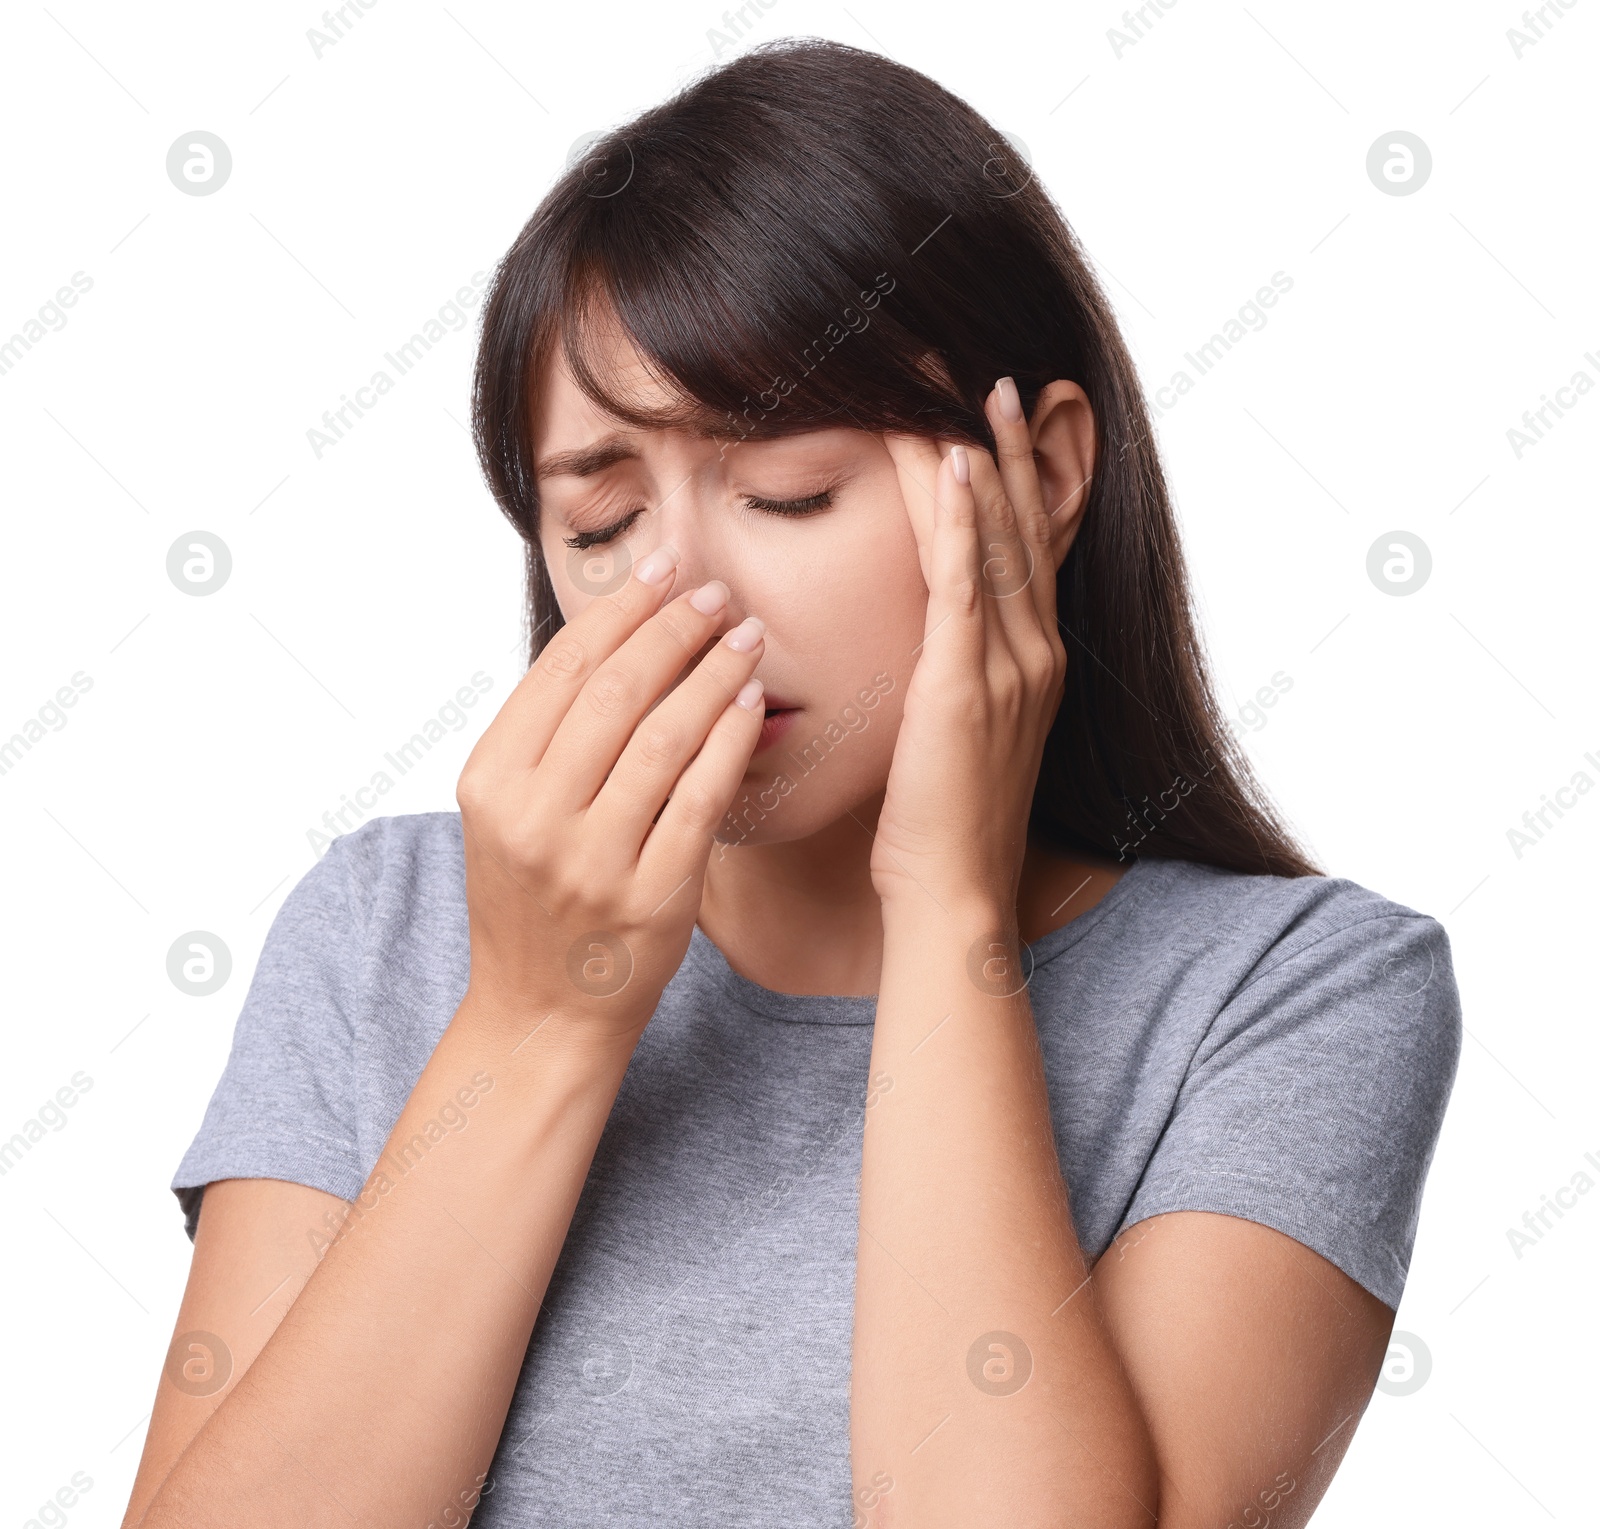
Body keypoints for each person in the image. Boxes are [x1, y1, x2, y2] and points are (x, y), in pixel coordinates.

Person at [123, 38, 1461, 1529]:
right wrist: (542, 1015)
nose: (677, 589)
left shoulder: (1297, 996)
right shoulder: (384, 932)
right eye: (602, 517)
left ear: (1048, 477)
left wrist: (948, 897)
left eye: (788, 492)